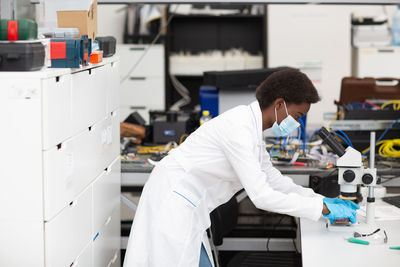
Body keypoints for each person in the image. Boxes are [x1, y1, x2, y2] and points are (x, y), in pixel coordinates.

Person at [123, 69, 359, 267]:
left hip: (188, 207)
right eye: (297, 116)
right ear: (279, 104)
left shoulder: (251, 128)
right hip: (172, 206)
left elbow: (273, 179)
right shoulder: (239, 129)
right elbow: (262, 197)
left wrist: (319, 199)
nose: (297, 124)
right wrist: (320, 209)